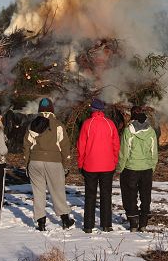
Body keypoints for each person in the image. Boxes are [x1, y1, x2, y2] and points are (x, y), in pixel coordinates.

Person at [24, 97, 75, 231]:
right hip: (54, 162)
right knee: (57, 191)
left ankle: (41, 222)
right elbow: (64, 146)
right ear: (52, 109)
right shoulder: (58, 125)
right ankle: (65, 220)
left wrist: (27, 163)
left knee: (38, 193)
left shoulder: (32, 124)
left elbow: (26, 146)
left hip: (35, 162)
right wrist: (65, 164)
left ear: (39, 109)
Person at [77, 98, 120, 233]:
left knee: (90, 195)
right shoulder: (110, 124)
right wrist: (114, 161)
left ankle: (88, 226)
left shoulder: (87, 124)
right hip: (108, 166)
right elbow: (116, 145)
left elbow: (81, 146)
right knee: (106, 195)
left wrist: (80, 163)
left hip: (90, 165)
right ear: (102, 110)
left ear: (93, 110)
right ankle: (107, 224)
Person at [117, 105, 158, 232]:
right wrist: (152, 166)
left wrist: (120, 168)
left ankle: (133, 222)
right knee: (146, 196)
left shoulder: (128, 130)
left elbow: (124, 152)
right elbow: (154, 152)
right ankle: (143, 222)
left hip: (131, 168)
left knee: (130, 195)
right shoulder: (151, 131)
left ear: (132, 115)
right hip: (146, 169)